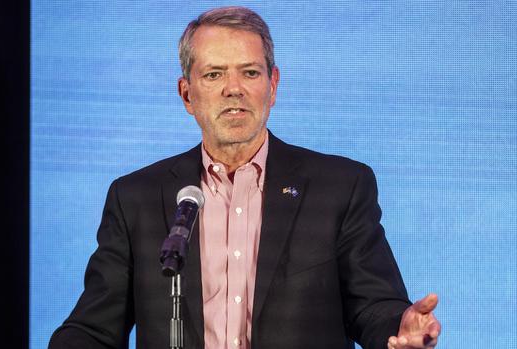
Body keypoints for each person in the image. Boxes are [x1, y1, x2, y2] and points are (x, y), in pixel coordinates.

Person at [49, 6, 441, 349]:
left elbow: (373, 306)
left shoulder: (340, 186)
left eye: (249, 73)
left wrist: (399, 329)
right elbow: (94, 329)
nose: (233, 89)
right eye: (214, 74)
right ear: (187, 94)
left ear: (273, 85)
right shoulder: (135, 198)